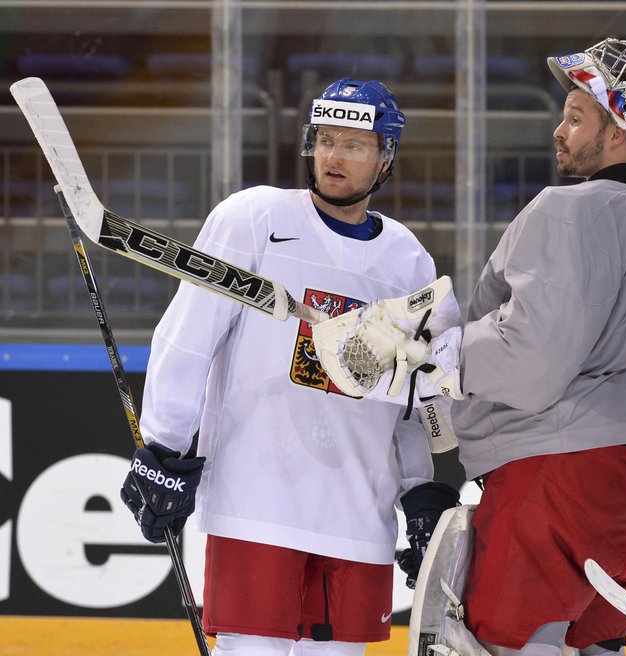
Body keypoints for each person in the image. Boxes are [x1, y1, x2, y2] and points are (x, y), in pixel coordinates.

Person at [118, 77, 459, 656]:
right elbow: (188, 335)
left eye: (353, 144)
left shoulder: (409, 262)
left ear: (385, 157)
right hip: (257, 502)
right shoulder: (251, 218)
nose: (333, 156)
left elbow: (416, 393)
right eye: (324, 139)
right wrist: (164, 447)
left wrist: (418, 487)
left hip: (359, 514)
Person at [449, 38, 626, 656]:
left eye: (576, 117)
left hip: (556, 465)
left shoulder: (572, 208)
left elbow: (532, 358)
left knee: (516, 642)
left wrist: (441, 351)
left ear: (622, 130)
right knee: (596, 640)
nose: (558, 130)